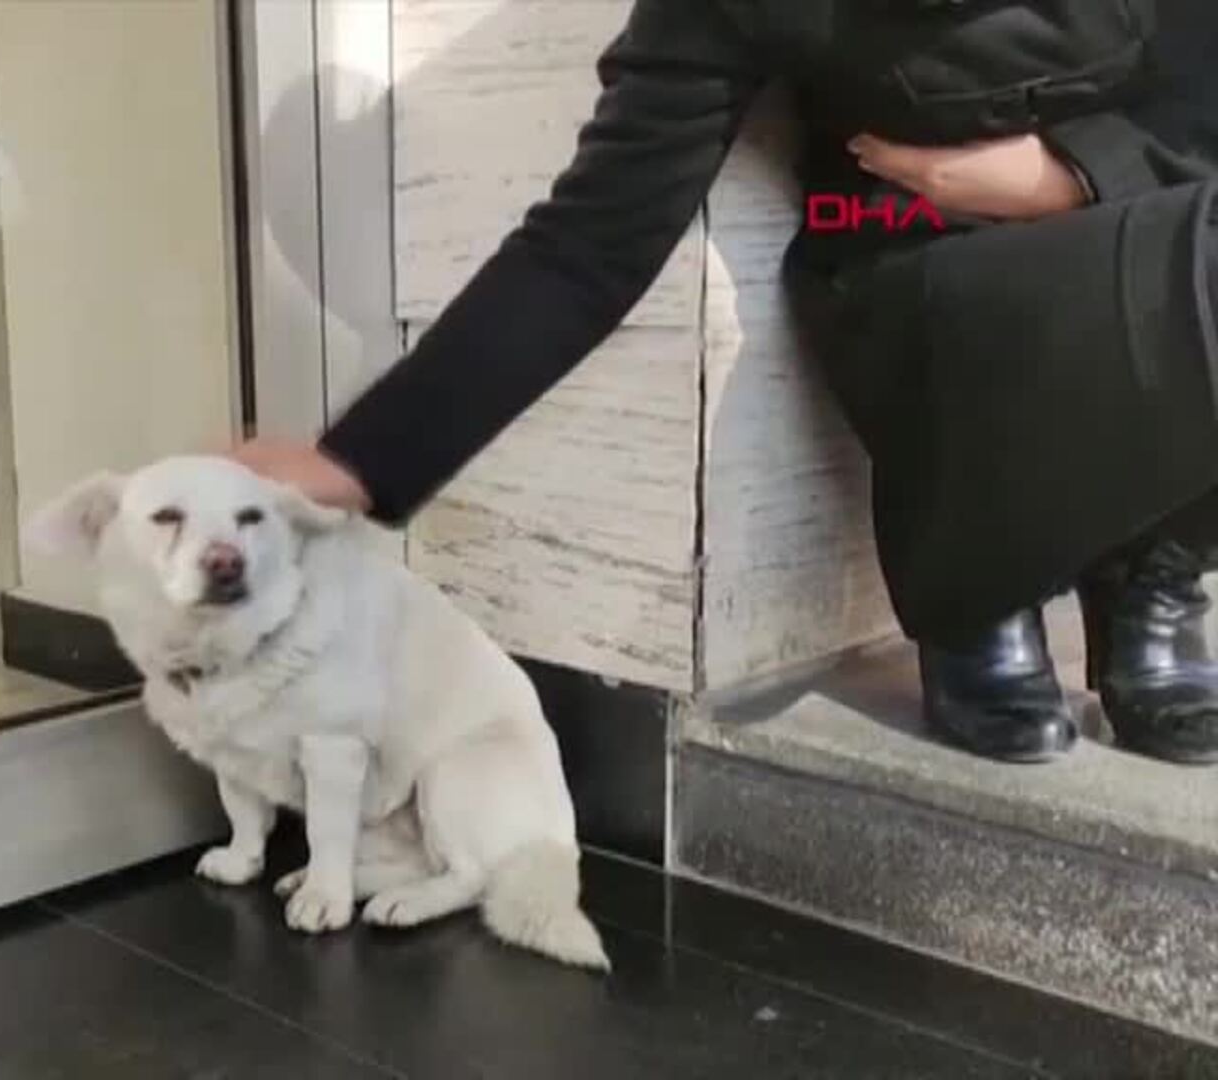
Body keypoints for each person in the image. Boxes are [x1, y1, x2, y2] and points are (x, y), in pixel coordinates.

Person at [234, 0, 1218, 767]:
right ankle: (983, 577)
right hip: (925, 277)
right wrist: (361, 462)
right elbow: (589, 246)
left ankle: (1155, 573)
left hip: (1138, 218)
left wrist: (1062, 176)